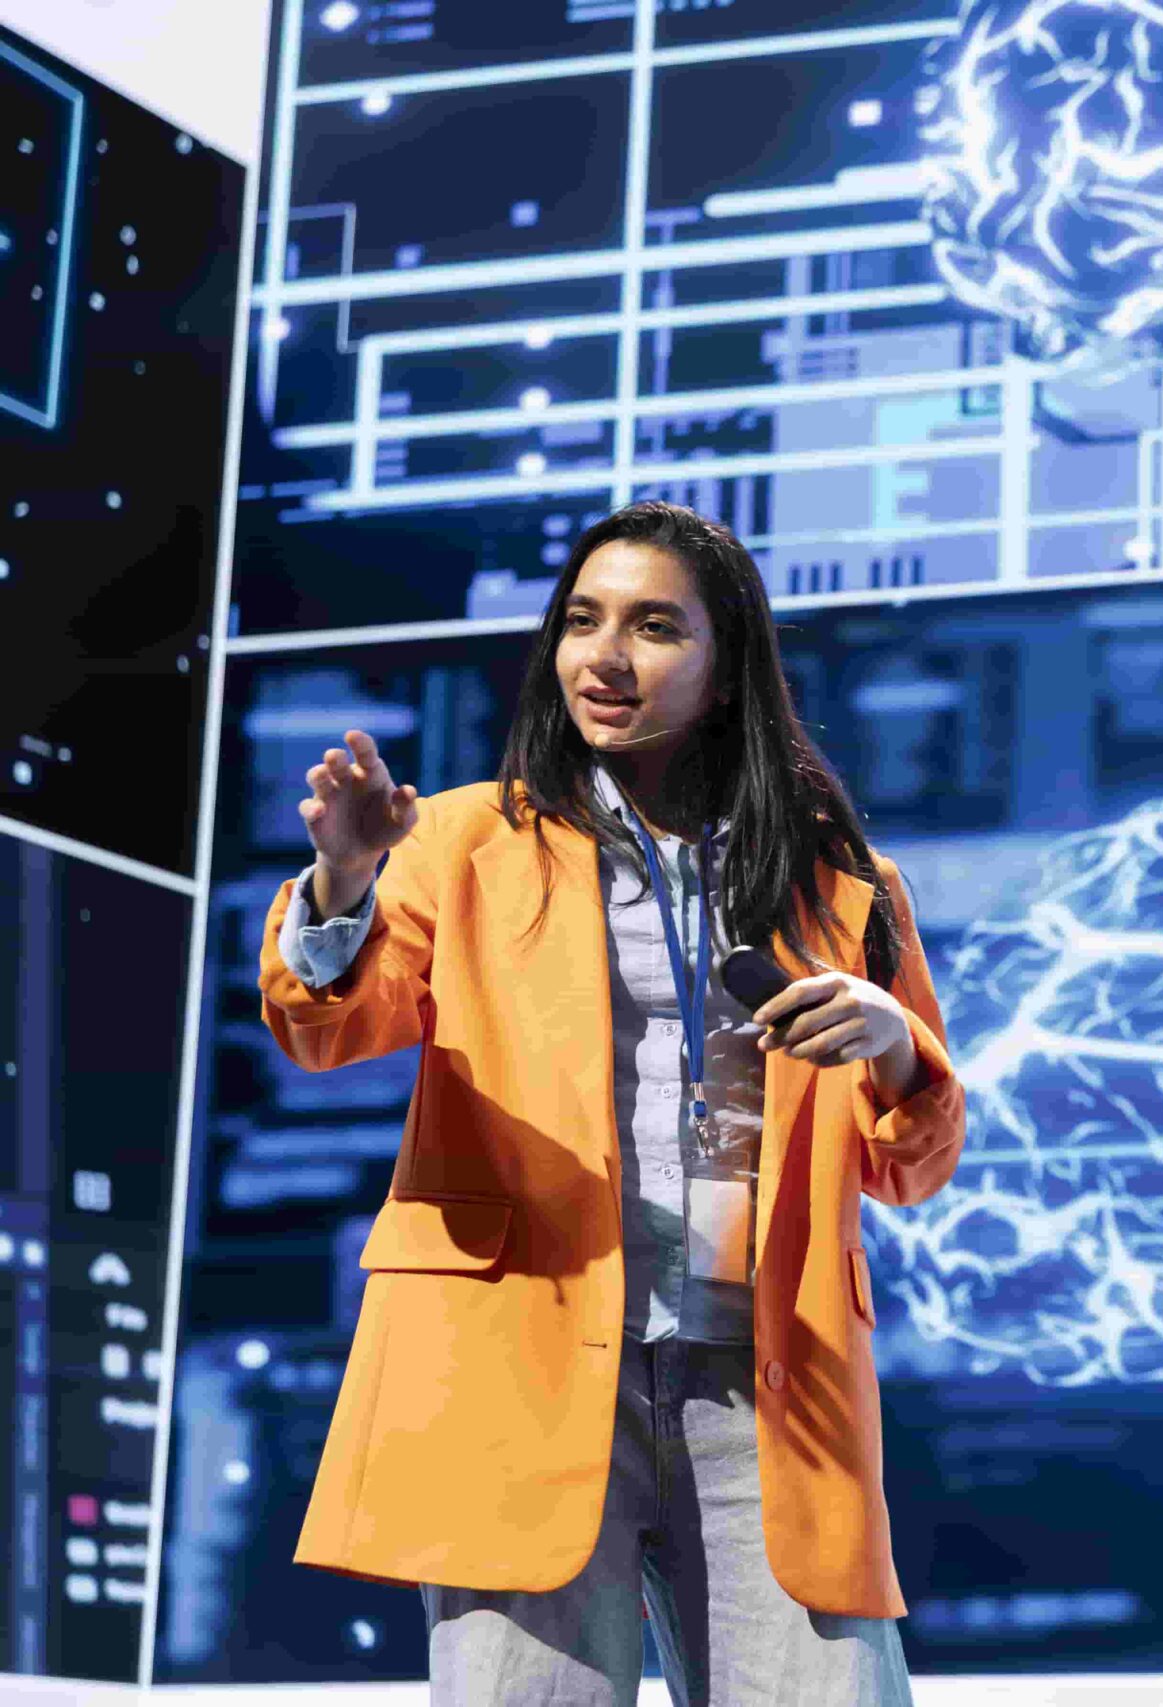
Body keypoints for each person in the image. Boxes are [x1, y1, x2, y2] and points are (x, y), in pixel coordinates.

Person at [258, 500, 965, 1707]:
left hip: (767, 1381)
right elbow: (326, 1028)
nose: (604, 656)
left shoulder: (843, 880)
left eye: (653, 627)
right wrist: (345, 876)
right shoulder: (463, 841)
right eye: (582, 621)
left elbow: (910, 1165)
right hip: (519, 1361)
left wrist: (897, 1047)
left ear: (728, 663)